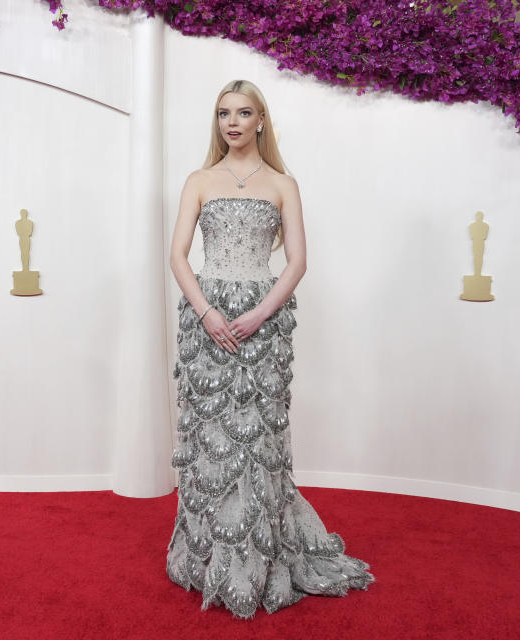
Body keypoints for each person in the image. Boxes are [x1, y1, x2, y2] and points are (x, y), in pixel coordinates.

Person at [166, 79, 374, 619]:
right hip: (204, 321)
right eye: (222, 114)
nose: (231, 122)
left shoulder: (283, 184)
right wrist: (208, 313)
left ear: (261, 120)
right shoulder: (198, 180)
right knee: (209, 435)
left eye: (242, 112)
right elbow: (178, 256)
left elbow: (297, 262)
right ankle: (206, 555)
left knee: (258, 439)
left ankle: (258, 560)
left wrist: (260, 314)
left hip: (264, 320)